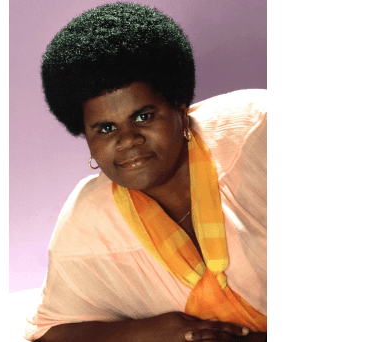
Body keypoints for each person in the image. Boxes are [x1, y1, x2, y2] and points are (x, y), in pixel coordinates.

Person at [24, 3, 267, 341]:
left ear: (180, 110)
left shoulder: (257, 132)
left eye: (143, 116)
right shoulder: (89, 221)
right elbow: (50, 334)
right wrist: (141, 333)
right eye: (105, 128)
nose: (127, 140)